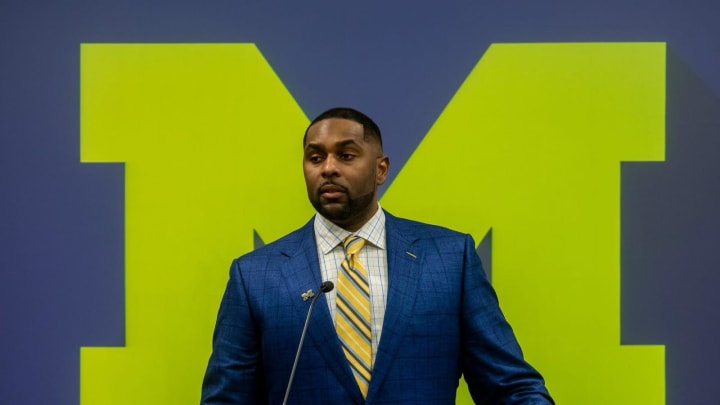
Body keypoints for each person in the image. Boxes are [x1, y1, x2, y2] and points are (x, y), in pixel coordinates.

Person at [201, 107, 554, 404]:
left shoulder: (449, 260)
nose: (328, 168)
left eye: (346, 155)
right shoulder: (255, 276)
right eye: (315, 157)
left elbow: (511, 387)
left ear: (381, 169)